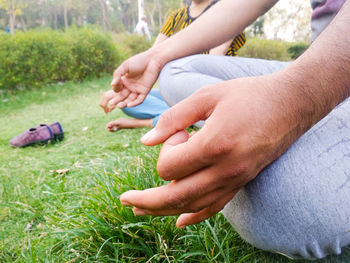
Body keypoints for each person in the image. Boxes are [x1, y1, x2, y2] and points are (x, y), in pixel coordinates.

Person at [100, 0, 350, 260]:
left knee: (291, 217)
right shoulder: (177, 17)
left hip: (330, 72)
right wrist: (155, 57)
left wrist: (293, 98)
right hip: (311, 61)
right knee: (175, 69)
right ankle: (226, 125)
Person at [105, 0, 246, 132]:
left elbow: (212, 62)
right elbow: (153, 55)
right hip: (181, 91)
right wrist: (125, 88)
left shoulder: (225, 10)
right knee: (131, 103)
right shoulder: (176, 17)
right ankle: (184, 117)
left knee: (173, 83)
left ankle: (146, 122)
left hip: (211, 90)